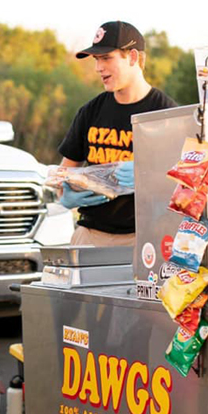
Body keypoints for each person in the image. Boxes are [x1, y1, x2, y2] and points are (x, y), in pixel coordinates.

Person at [58, 20, 176, 246]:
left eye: (106, 58)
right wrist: (65, 195)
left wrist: (149, 174)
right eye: (96, 60)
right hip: (89, 236)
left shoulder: (167, 114)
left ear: (132, 57)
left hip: (144, 240)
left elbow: (187, 186)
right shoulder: (90, 112)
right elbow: (64, 174)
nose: (98, 67)